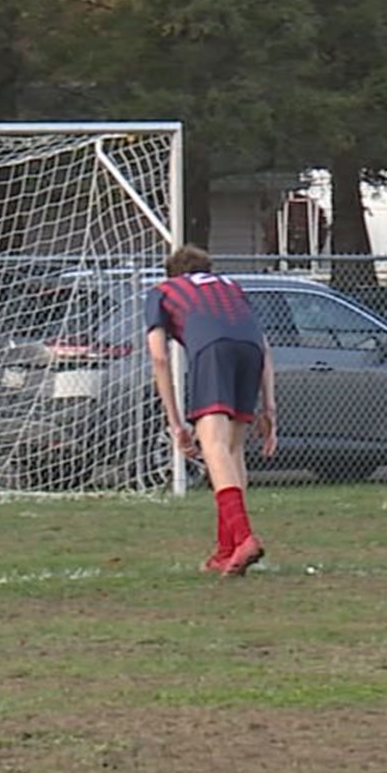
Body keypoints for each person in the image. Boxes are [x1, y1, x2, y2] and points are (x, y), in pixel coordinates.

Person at [145, 244, 278, 576]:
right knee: (233, 451)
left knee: (213, 445)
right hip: (250, 351)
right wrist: (270, 408)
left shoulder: (162, 291)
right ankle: (226, 549)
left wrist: (175, 423)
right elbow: (264, 346)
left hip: (213, 350)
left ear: (173, 273)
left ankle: (244, 537)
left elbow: (159, 357)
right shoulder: (231, 287)